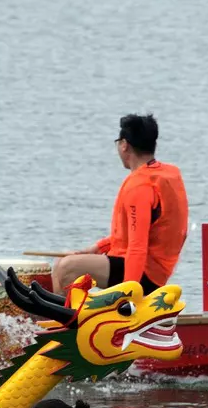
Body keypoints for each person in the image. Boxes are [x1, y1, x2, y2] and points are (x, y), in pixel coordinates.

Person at [46, 114, 190, 296]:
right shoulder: (169, 173)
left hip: (145, 273)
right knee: (62, 261)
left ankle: (68, 322)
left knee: (68, 267)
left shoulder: (141, 185)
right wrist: (97, 248)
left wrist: (128, 294)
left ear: (124, 144)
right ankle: (64, 318)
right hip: (145, 264)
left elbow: (138, 247)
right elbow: (139, 231)